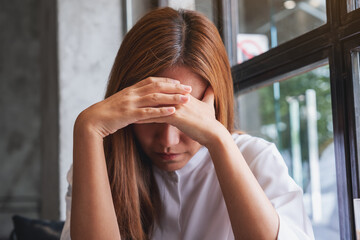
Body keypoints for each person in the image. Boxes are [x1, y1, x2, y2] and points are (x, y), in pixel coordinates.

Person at [60, 7, 314, 240]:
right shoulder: (100, 167)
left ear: (213, 103)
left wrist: (218, 139)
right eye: (151, 115)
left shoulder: (256, 159)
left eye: (187, 117)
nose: (168, 141)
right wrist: (88, 128)